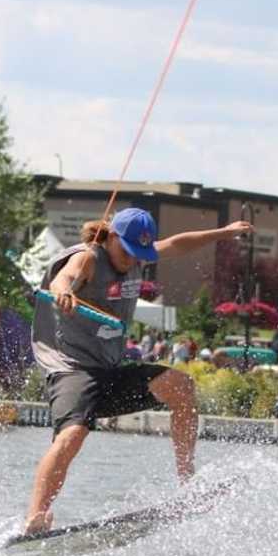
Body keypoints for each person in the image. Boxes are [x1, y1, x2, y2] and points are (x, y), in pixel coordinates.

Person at [23, 208, 252, 535]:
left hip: (110, 370)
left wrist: (225, 232)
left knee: (181, 386)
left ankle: (187, 483)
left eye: (139, 254)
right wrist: (63, 291)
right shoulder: (89, 259)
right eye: (127, 252)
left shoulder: (138, 254)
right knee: (72, 435)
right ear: (113, 237)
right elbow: (65, 276)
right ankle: (36, 517)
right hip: (73, 369)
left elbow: (178, 243)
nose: (132, 260)